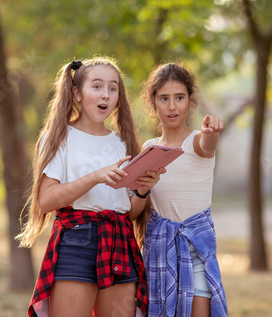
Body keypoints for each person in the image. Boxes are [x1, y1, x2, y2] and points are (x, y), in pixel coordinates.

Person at [17, 57, 165, 317]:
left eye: (112, 88)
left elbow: (129, 212)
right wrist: (95, 176)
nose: (105, 95)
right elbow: (47, 200)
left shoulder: (123, 142)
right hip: (77, 240)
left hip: (119, 239)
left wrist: (143, 189)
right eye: (96, 86)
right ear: (76, 92)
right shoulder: (60, 138)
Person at [135, 62, 228, 317]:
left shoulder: (196, 140)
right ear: (153, 103)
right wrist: (143, 190)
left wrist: (212, 132)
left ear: (190, 101)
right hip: (159, 252)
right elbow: (135, 210)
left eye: (179, 98)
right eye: (164, 98)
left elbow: (207, 145)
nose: (172, 106)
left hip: (195, 249)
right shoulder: (149, 148)